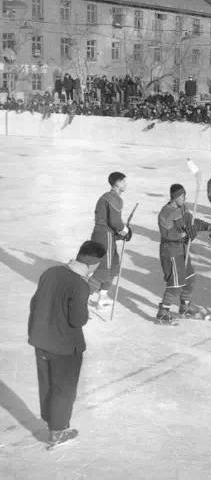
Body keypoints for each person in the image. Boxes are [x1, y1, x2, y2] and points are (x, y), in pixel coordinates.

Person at [28, 241, 106, 448]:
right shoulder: (79, 285)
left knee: (47, 383)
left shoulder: (51, 272)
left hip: (40, 339)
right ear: (94, 264)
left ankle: (50, 420)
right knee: (63, 388)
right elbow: (77, 320)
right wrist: (86, 294)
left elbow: (35, 302)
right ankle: (58, 431)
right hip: (63, 346)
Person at [156, 184, 211, 325]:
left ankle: (185, 306)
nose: (185, 198)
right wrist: (182, 234)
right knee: (176, 284)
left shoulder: (183, 208)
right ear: (175, 197)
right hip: (171, 251)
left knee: (190, 280)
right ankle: (163, 313)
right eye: (182, 196)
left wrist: (208, 227)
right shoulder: (165, 213)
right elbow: (167, 234)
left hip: (183, 250)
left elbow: (192, 223)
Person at [89, 172, 132, 308]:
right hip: (104, 236)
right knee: (104, 269)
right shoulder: (113, 198)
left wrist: (121, 234)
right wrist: (124, 231)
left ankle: (103, 296)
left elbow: (111, 223)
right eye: (123, 181)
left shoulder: (110, 197)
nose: (125, 184)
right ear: (117, 183)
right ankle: (82, 297)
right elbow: (114, 222)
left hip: (107, 235)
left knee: (113, 266)